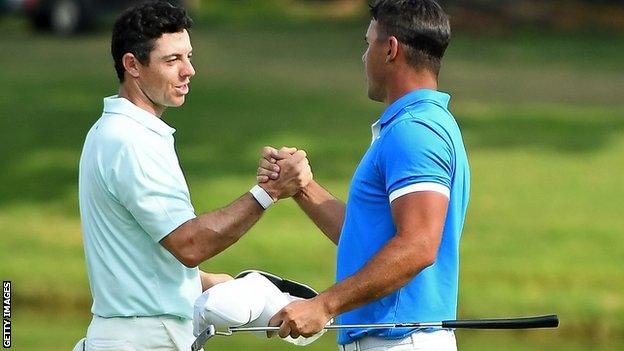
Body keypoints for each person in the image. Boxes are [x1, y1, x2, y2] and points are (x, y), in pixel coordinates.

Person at [77, 1, 311, 350]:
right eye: (172, 60)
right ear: (132, 65)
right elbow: (190, 244)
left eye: (188, 56)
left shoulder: (120, 131)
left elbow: (137, 251)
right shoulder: (131, 140)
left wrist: (199, 282)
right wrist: (269, 192)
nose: (189, 70)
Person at [258, 1, 470, 350]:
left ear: (390, 50)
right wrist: (301, 187)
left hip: (400, 342)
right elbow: (365, 235)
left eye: (368, 42)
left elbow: (417, 246)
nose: (363, 56)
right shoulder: (418, 125)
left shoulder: (415, 131)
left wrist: (324, 305)